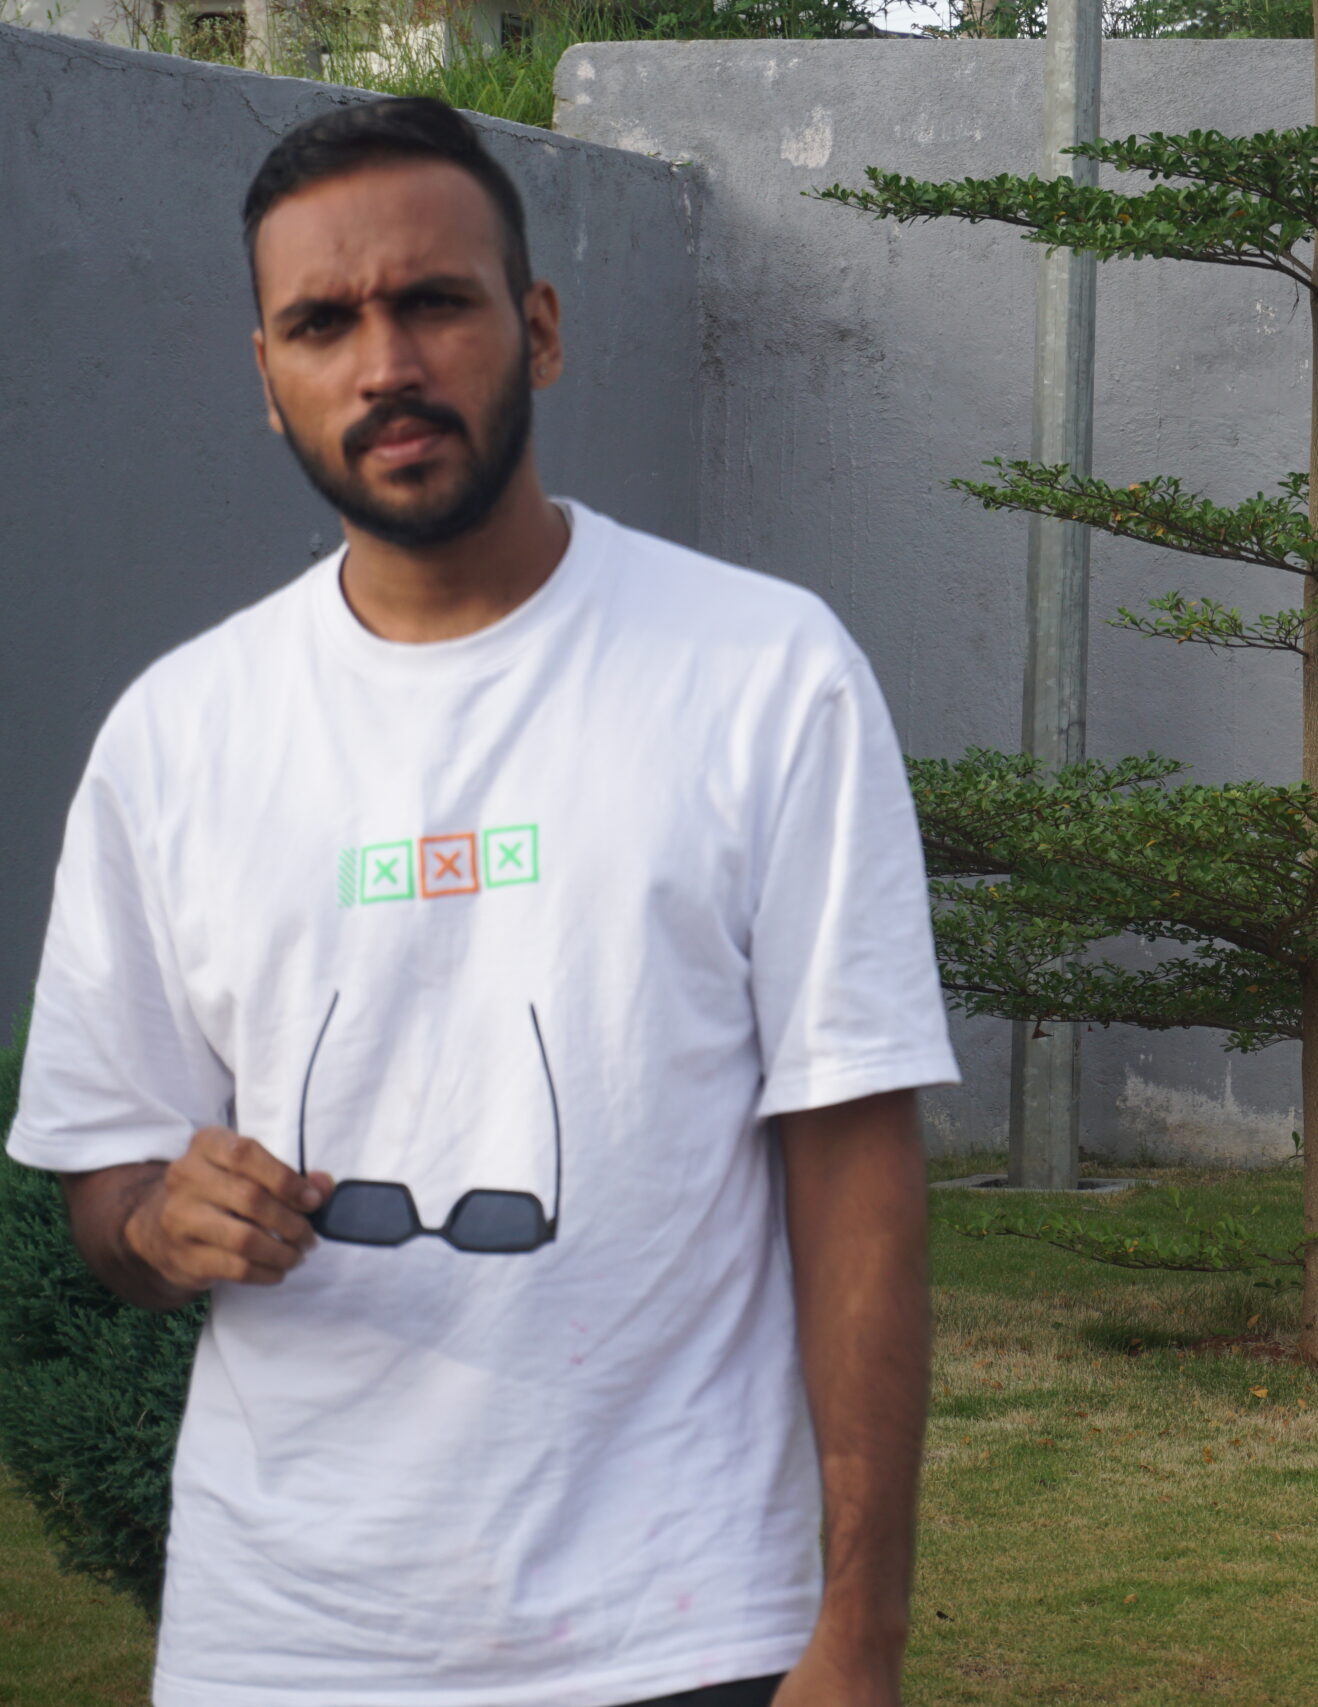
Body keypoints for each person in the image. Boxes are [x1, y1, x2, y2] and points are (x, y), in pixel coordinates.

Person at [4, 95, 956, 1707]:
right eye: (323, 323)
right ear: (267, 378)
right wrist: (160, 1224)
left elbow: (855, 1166)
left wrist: (858, 1633)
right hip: (286, 1643)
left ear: (540, 329)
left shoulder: (762, 673)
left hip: (684, 1626)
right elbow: (110, 1184)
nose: (386, 364)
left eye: (434, 302)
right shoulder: (178, 737)